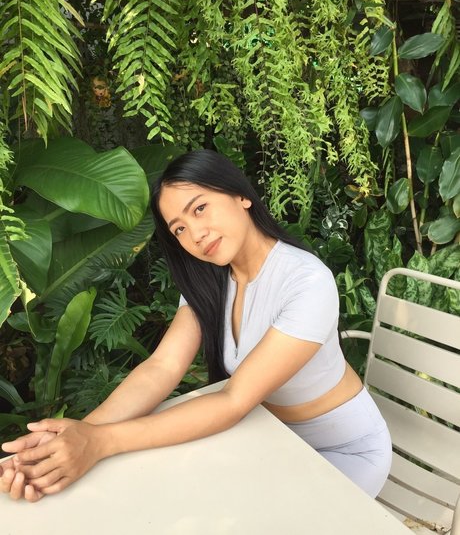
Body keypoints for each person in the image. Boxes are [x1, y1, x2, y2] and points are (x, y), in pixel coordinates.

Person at [0, 149, 392, 502]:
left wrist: (99, 442)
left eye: (200, 208)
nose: (196, 234)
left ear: (241, 196)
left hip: (342, 450)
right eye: (179, 229)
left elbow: (234, 400)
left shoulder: (307, 282)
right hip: (270, 438)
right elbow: (163, 367)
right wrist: (72, 439)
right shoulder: (213, 278)